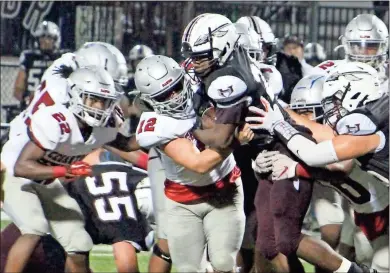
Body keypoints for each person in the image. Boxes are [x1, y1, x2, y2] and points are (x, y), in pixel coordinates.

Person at [1, 66, 141, 273]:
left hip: (47, 180)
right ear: (75, 95)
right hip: (15, 177)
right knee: (34, 229)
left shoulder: (105, 127)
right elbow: (22, 167)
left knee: (79, 243)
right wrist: (64, 170)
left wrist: (159, 129)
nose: (100, 107)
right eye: (93, 99)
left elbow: (127, 145)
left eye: (104, 101)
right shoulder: (57, 121)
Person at [252, 64, 388, 272]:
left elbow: (338, 164)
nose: (304, 119)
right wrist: (261, 163)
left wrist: (281, 121)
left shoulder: (359, 130)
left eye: (309, 112)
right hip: (367, 215)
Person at [132, 54, 252, 272]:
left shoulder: (205, 90)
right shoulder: (155, 125)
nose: (175, 96)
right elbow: (198, 164)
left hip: (224, 190)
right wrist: (235, 141)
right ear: (149, 100)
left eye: (177, 87)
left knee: (224, 262)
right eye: (165, 95)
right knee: (188, 269)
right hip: (183, 200)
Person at [316, 14, 388, 96]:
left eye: (370, 47)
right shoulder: (328, 71)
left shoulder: (387, 74)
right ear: (345, 44)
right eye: (357, 46)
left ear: (383, 46)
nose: (363, 52)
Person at [13, 21, 69, 110]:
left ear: (56, 39)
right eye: (42, 37)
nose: (45, 41)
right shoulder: (29, 57)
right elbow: (18, 89)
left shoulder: (63, 57)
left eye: (49, 37)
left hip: (55, 105)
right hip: (31, 105)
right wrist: (26, 99)